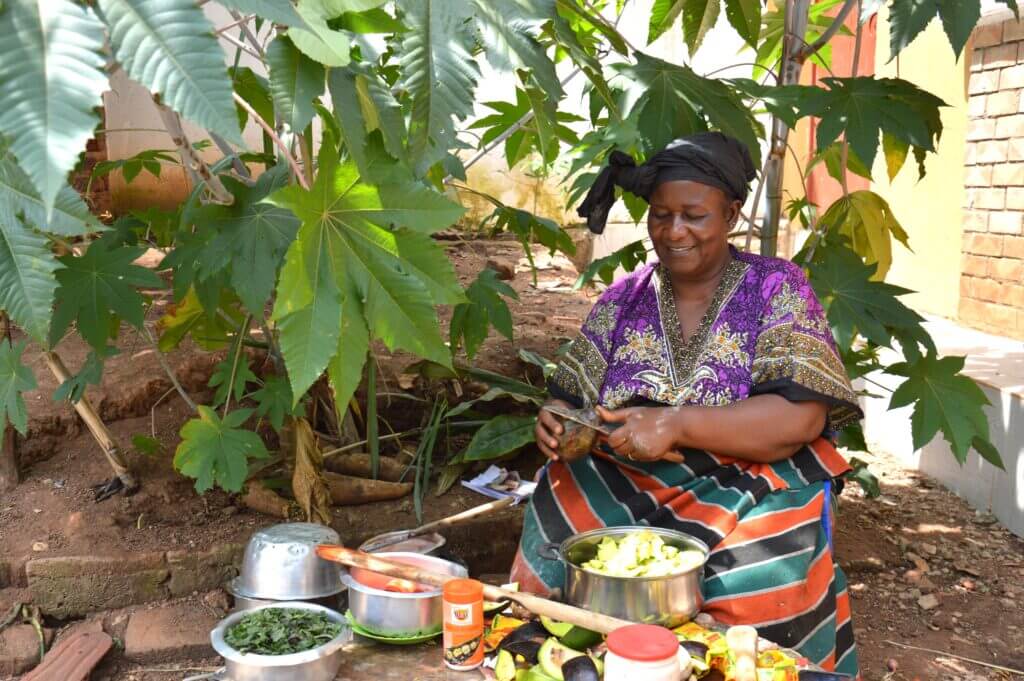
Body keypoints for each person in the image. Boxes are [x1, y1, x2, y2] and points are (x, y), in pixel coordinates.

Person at [509, 132, 861, 676]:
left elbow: (802, 417)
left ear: (732, 213)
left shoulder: (776, 287)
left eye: (694, 215)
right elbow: (570, 398)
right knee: (561, 502)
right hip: (628, 475)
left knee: (767, 564)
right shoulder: (624, 298)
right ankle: (567, 656)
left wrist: (677, 424)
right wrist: (557, 423)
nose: (674, 232)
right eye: (660, 215)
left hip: (754, 474)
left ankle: (744, 665)